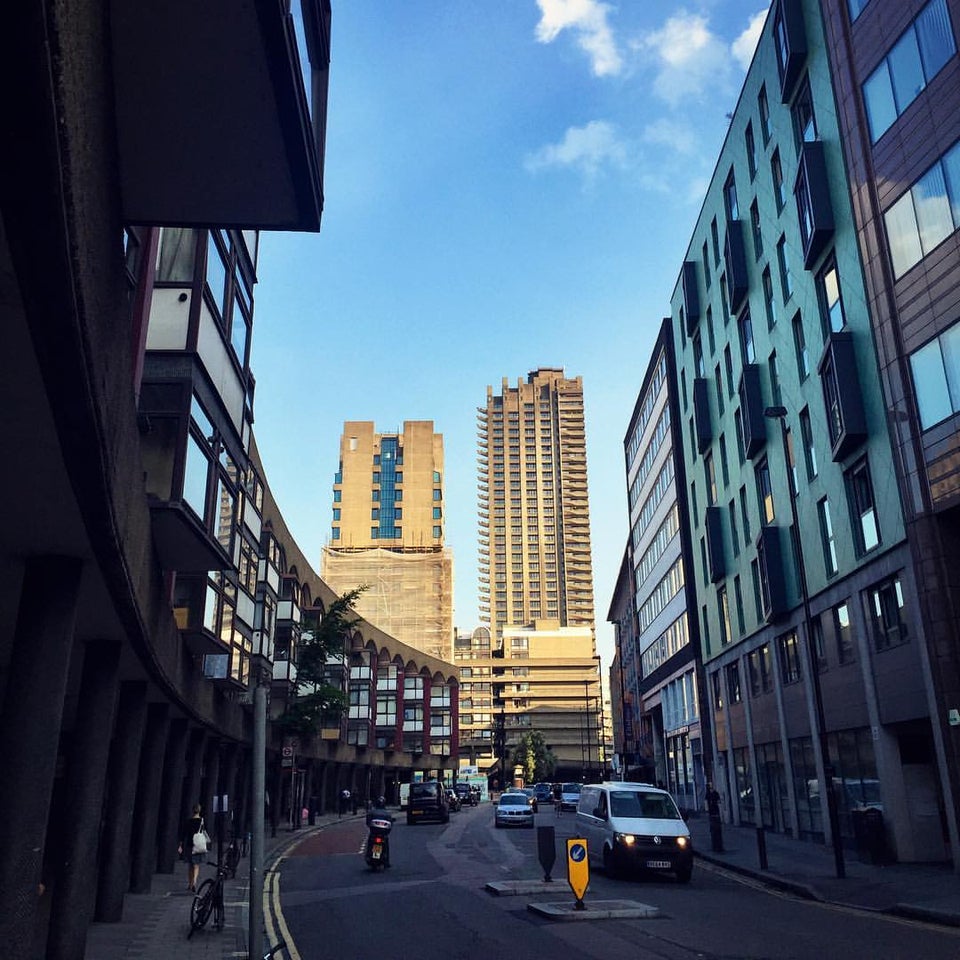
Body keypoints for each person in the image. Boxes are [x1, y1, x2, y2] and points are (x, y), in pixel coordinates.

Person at [179, 804, 207, 892]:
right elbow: (204, 832)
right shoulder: (202, 821)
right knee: (196, 865)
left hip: (189, 845)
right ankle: (194, 882)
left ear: (192, 811)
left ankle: (190, 884)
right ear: (199, 811)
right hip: (198, 845)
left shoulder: (189, 821)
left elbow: (184, 834)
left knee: (190, 865)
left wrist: (180, 845)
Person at [366, 796, 394, 867]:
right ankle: (387, 862)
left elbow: (368, 822)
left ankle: (369, 855)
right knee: (386, 844)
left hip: (374, 833)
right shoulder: (387, 814)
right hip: (382, 834)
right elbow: (390, 825)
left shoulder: (371, 812)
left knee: (370, 843)